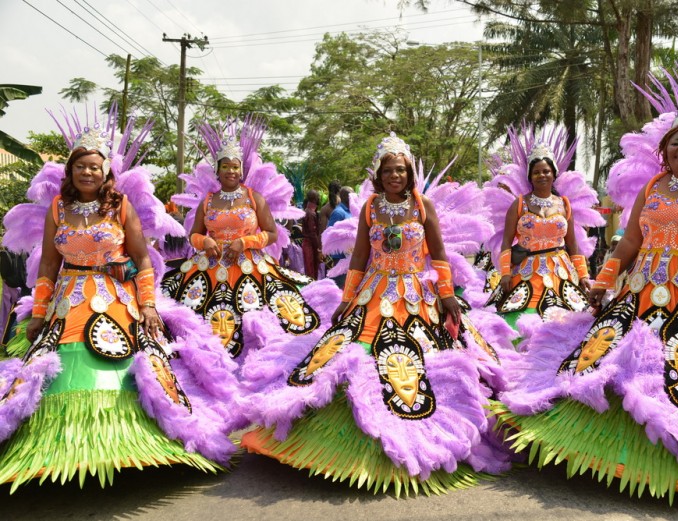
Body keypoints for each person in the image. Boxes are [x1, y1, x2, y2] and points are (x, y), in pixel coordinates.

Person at [492, 55, 678, 516]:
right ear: (662, 151)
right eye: (674, 144)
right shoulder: (652, 189)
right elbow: (628, 242)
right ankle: (625, 458)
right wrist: (602, 282)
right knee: (617, 362)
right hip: (642, 292)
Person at [239, 132, 511, 495]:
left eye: (400, 170)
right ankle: (340, 438)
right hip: (374, 293)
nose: (394, 176)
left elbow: (439, 254)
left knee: (431, 363)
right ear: (379, 175)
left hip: (418, 296)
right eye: (388, 171)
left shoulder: (422, 206)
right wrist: (347, 298)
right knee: (349, 356)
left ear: (409, 173)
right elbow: (359, 259)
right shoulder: (370, 209)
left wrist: (447, 295)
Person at [0, 107, 236, 490]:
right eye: (82, 166)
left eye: (96, 166)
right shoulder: (58, 209)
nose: (89, 172)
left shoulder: (120, 206)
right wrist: (40, 311)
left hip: (116, 299)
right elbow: (48, 264)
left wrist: (146, 304)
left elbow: (142, 258)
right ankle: (57, 443)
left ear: (106, 171)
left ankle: (129, 438)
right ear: (71, 172)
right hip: (66, 302)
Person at [162, 119, 320, 359]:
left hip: (251, 268)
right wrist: (204, 242)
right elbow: (193, 235)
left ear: (242, 170)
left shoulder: (254, 198)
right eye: (225, 166)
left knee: (256, 321)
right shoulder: (208, 200)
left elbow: (271, 233)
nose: (231, 171)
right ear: (217, 170)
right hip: (209, 269)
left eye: (235, 166)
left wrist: (244, 242)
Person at [484, 124, 603, 326]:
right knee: (522, 322)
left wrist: (583, 274)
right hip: (526, 272)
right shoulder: (519, 204)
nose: (542, 175)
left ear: (554, 174)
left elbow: (573, 245)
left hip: (561, 273)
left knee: (568, 324)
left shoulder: (564, 204)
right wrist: (505, 273)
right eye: (537, 172)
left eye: (546, 171)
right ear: (530, 176)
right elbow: (506, 242)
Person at [326, 186, 354, 288]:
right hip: (341, 256)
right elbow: (330, 233)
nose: (353, 197)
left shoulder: (350, 210)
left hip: (350, 255)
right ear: (343, 196)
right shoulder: (338, 212)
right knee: (340, 285)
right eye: (350, 195)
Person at [301, 189, 321, 279]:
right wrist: (318, 248)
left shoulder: (309, 211)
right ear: (315, 199)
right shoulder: (310, 213)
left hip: (309, 243)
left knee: (312, 269)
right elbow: (313, 234)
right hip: (310, 244)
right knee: (311, 271)